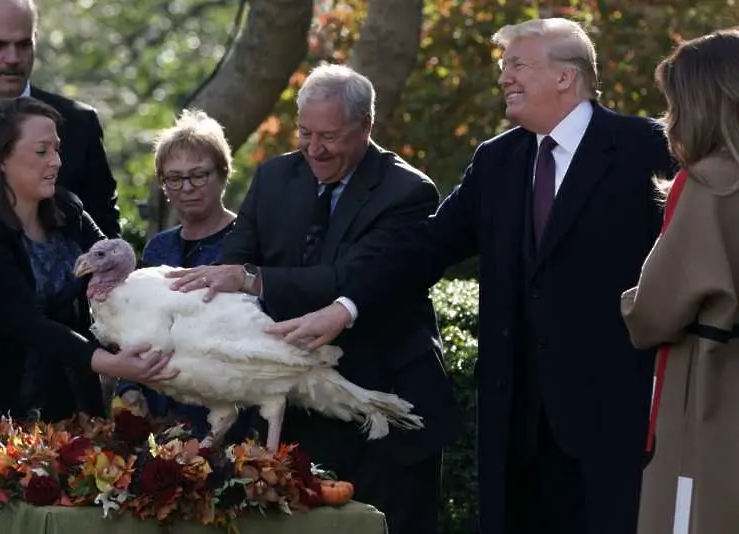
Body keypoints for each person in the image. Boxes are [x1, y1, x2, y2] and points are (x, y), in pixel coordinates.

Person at [267, 19, 676, 534]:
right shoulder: (497, 160)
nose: (504, 78)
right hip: (516, 423)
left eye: (517, 66)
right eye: (503, 68)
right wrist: (344, 308)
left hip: (613, 414)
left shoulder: (648, 148)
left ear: (565, 77)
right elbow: (424, 247)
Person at [165, 64, 462, 534]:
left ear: (365, 128)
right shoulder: (273, 178)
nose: (314, 148)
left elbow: (348, 279)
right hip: (297, 411)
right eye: (305, 132)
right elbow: (235, 267)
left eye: (330, 136)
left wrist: (254, 280)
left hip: (383, 406)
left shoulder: (407, 192)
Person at [0, 96, 176, 439]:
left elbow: (117, 269)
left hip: (69, 406)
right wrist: (109, 363)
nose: (56, 161)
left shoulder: (68, 209)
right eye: (41, 151)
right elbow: (25, 321)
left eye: (57, 149)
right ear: (2, 158)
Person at [620, 29, 739, 534]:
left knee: (694, 512)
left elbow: (655, 314)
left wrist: (632, 301)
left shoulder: (711, 183)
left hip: (713, 386)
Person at [115, 109, 248, 442]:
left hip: (230, 418)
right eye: (174, 178)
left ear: (223, 173)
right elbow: (137, 325)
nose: (186, 187)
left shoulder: (247, 240)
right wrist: (129, 385)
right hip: (161, 419)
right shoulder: (159, 247)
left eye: (199, 175)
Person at [0, 0, 120, 237]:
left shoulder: (78, 124)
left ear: (35, 40)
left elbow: (106, 239)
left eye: (24, 45)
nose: (12, 58)